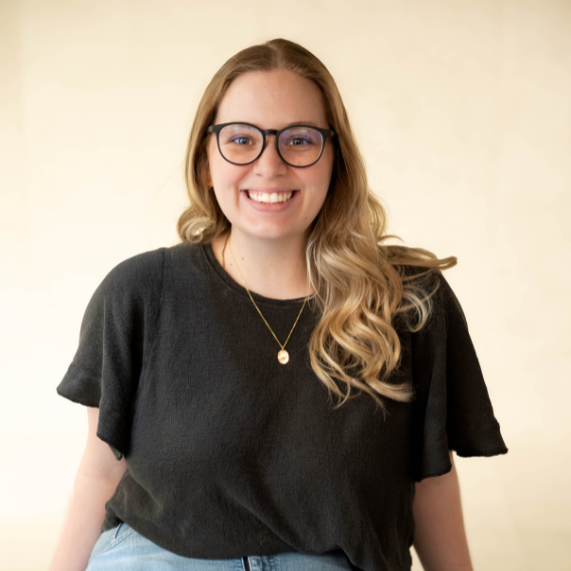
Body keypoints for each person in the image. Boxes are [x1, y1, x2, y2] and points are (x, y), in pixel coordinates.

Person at [50, 38, 508, 571]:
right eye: (241, 139)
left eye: (299, 139)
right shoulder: (137, 294)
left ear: (335, 159)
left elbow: (431, 480)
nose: (269, 165)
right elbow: (100, 471)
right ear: (206, 162)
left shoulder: (408, 302)